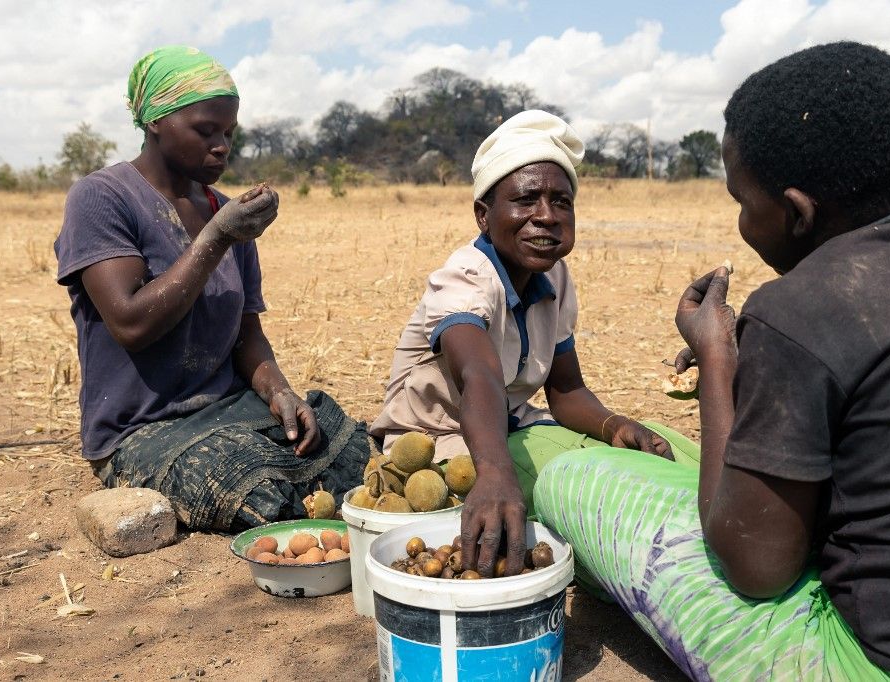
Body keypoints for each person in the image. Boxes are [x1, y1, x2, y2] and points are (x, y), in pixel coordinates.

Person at [533, 41, 890, 681]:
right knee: (675, 453)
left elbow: (754, 566)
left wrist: (717, 357)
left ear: (795, 212)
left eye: (742, 200)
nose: (740, 218)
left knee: (573, 484)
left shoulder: (803, 307)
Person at [370, 110, 700, 577]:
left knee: (658, 445)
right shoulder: (466, 276)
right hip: (445, 446)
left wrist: (614, 426)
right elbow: (477, 373)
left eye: (561, 202)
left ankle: (729, 517)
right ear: (484, 216)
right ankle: (682, 563)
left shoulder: (555, 279)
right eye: (526, 199)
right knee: (593, 488)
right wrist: (496, 474)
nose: (546, 216)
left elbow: (566, 392)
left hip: (513, 431)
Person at [54, 46, 367, 532]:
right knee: (251, 489)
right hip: (142, 430)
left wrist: (280, 392)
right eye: (206, 130)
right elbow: (131, 323)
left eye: (228, 133)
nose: (222, 145)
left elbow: (246, 333)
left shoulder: (223, 209)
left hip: (227, 410)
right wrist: (218, 236)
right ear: (156, 121)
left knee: (351, 449)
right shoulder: (103, 197)